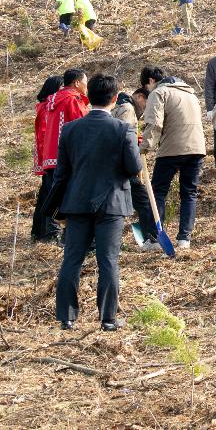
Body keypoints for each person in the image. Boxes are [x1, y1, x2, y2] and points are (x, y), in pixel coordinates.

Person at [46, 73, 142, 331]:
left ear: (88, 98)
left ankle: (66, 317)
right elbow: (134, 168)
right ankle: (107, 318)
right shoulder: (123, 129)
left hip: (77, 201)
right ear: (114, 98)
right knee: (108, 261)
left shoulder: (71, 129)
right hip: (111, 201)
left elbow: (61, 173)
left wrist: (55, 206)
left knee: (72, 259)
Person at [141, 68, 206, 250]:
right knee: (189, 193)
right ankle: (184, 238)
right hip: (196, 147)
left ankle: (154, 239)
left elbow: (154, 122)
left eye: (147, 87)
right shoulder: (190, 93)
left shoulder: (159, 92)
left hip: (172, 148)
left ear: (151, 81)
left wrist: (145, 147)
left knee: (158, 191)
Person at [111, 89, 158, 248]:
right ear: (139, 97)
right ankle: (151, 238)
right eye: (146, 102)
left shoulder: (119, 106)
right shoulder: (128, 109)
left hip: (114, 164)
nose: (146, 107)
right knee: (144, 201)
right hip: (123, 166)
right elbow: (123, 137)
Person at [31, 74, 68, 243]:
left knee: (45, 193)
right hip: (52, 156)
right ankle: (50, 232)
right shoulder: (50, 107)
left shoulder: (44, 106)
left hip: (46, 157)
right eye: (61, 88)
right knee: (52, 195)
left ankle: (39, 231)